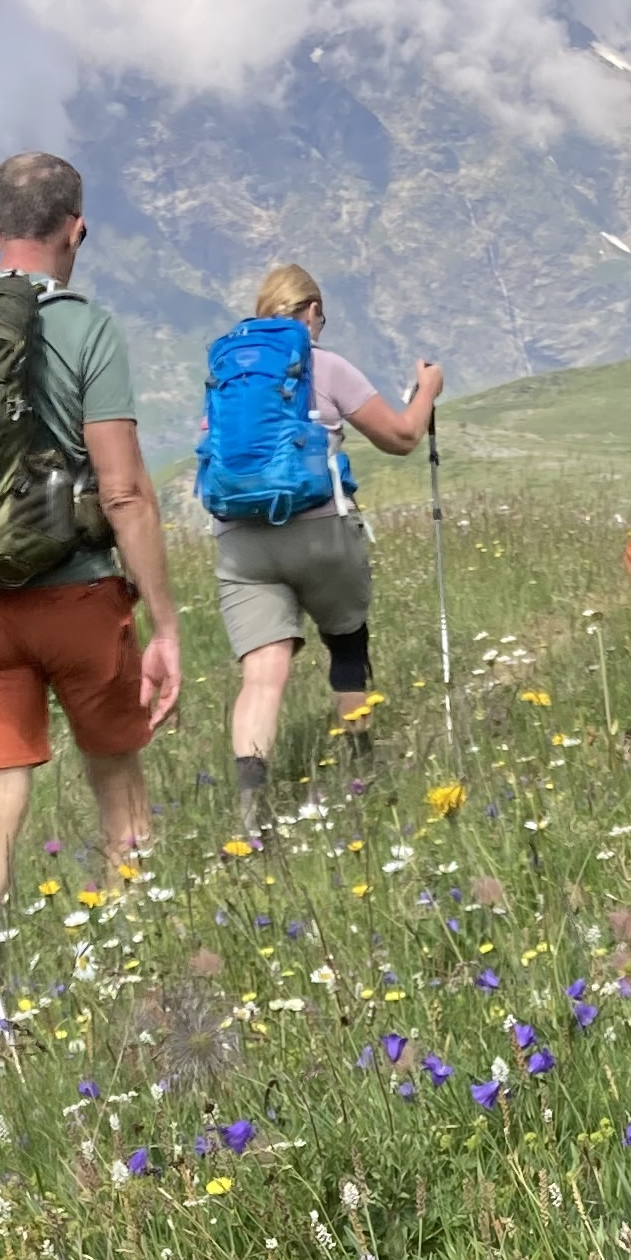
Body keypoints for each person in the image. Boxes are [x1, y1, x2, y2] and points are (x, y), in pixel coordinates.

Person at [0, 153, 180, 958]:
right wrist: (165, 623)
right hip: (77, 596)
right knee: (117, 777)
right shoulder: (85, 328)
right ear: (78, 231)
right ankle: (133, 953)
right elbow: (125, 491)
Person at [210, 266, 442, 847]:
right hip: (318, 529)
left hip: (239, 539)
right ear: (311, 309)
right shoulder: (324, 364)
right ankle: (364, 769)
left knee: (262, 676)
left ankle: (250, 815)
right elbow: (401, 438)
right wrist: (429, 391)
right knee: (346, 640)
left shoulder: (228, 373)